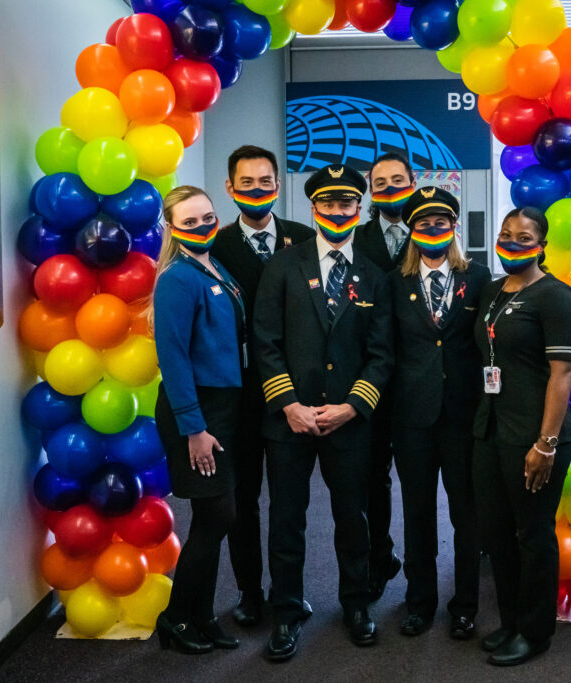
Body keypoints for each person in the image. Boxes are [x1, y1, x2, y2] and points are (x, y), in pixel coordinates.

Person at [254, 164, 394, 661]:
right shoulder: (283, 266)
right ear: (313, 208)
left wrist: (352, 407)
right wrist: (288, 404)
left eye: (347, 204)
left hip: (348, 422)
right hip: (288, 420)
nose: (337, 212)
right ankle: (287, 612)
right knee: (287, 518)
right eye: (328, 204)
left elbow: (382, 355)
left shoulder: (373, 276)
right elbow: (264, 341)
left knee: (352, 518)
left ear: (360, 208)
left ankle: (356, 604)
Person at [210, 145, 316, 626]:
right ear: (231, 189)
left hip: (293, 392)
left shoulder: (304, 239)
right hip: (238, 396)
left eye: (266, 182)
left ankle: (288, 593)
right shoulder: (213, 245)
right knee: (244, 499)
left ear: (279, 184)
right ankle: (251, 592)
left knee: (291, 501)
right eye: (247, 184)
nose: (258, 191)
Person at [472, 207, 571, 666]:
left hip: (536, 436)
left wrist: (546, 444)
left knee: (532, 535)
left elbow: (563, 372)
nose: (512, 242)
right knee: (497, 534)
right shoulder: (493, 291)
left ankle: (535, 633)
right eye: (505, 234)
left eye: (523, 236)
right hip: (491, 428)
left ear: (542, 244)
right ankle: (511, 622)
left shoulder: (556, 296)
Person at [388, 187, 490, 641]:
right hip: (412, 417)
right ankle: (419, 603)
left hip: (464, 415)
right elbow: (387, 350)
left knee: (466, 515)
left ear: (453, 228)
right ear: (411, 231)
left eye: (441, 223)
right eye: (424, 224)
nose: (433, 230)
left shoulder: (481, 277)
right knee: (416, 512)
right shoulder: (394, 282)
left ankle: (465, 605)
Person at [150, 186, 245, 654]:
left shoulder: (213, 266)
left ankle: (202, 615)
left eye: (208, 216)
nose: (203, 226)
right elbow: (173, 357)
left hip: (223, 407)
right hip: (196, 412)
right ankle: (176, 619)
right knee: (216, 514)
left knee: (216, 516)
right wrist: (194, 427)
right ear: (172, 229)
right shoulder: (176, 278)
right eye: (191, 222)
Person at [352, 151, 416, 600]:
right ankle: (380, 558)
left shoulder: (435, 232)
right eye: (381, 181)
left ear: (413, 182)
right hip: (370, 378)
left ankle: (426, 574)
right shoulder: (353, 240)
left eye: (399, 179)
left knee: (421, 482)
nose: (390, 186)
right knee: (372, 479)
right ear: (370, 191)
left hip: (419, 381)